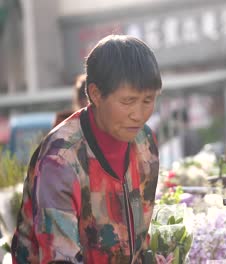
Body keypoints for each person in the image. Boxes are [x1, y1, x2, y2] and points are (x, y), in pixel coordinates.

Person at [12, 35, 162, 263]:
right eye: (128, 101)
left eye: (148, 100)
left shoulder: (145, 143)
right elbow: (59, 258)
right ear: (95, 94)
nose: (138, 115)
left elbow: (139, 242)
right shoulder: (61, 159)